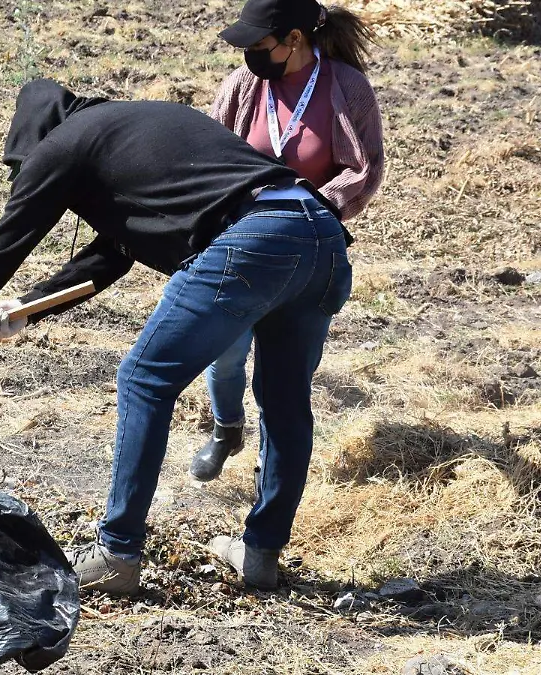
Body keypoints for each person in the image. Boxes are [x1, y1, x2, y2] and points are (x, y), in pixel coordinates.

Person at [0, 78, 353, 593]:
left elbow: (3, 246)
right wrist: (25, 307)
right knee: (284, 400)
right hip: (320, 234)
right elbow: (110, 257)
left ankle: (117, 554)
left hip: (255, 241)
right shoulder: (133, 127)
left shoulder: (62, 145)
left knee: (143, 379)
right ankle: (260, 554)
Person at [191, 0, 383, 484]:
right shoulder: (243, 84)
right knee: (225, 352)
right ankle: (225, 428)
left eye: (259, 44)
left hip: (306, 248)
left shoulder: (348, 88)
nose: (249, 54)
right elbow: (211, 155)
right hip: (241, 240)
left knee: (285, 373)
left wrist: (318, 208)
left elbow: (366, 168)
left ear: (294, 39)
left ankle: (267, 463)